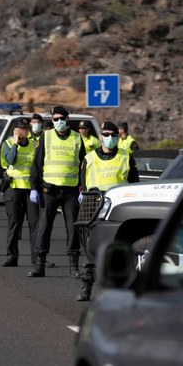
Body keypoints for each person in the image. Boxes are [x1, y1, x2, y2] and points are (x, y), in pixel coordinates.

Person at [75, 121, 139, 301]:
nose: (109, 138)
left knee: (118, 247)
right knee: (90, 249)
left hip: (119, 207)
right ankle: (86, 286)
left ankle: (117, 290)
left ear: (117, 137)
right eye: (106, 135)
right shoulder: (89, 158)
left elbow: (134, 184)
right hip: (94, 206)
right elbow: (83, 185)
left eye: (113, 135)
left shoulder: (127, 156)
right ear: (101, 136)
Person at [28, 105, 85, 278]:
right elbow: (37, 164)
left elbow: (83, 164)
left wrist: (84, 188)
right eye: (55, 119)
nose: (58, 121)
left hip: (71, 190)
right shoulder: (46, 137)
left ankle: (73, 266)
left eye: (62, 118)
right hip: (49, 189)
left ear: (67, 119)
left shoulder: (76, 138)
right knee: (44, 226)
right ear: (52, 121)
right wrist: (34, 188)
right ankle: (40, 265)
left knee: (73, 227)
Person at [0, 117, 38, 267]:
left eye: (26, 128)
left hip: (30, 189)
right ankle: (11, 256)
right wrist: (15, 143)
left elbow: (37, 165)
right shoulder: (8, 143)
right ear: (15, 131)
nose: (25, 131)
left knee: (34, 223)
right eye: (22, 129)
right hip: (14, 188)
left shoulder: (34, 144)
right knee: (14, 222)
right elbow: (10, 160)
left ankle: (37, 258)